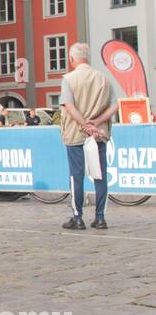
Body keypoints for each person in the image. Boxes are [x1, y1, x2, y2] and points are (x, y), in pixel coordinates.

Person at [59, 41, 118, 231]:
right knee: (100, 176)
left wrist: (85, 125)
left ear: (71, 58)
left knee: (76, 176)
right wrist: (97, 123)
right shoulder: (103, 78)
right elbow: (115, 105)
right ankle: (100, 218)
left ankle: (77, 217)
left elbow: (69, 106)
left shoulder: (69, 79)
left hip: (76, 133)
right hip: (99, 134)